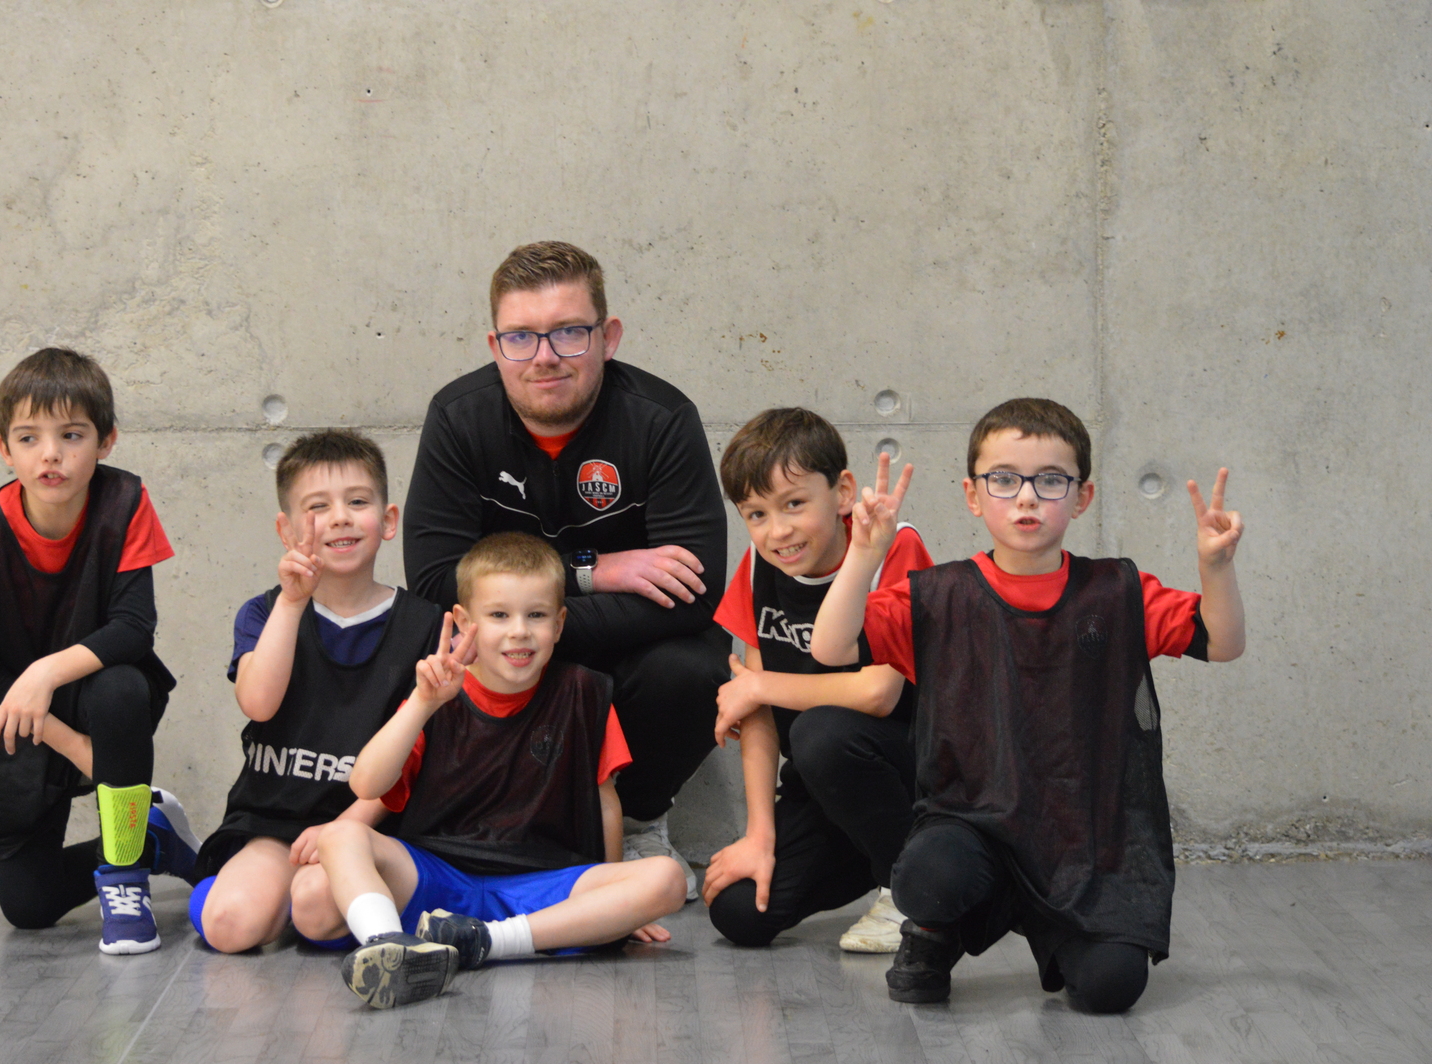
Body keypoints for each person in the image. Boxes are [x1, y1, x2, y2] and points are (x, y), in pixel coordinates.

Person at [811, 398, 1246, 1014]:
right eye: (1004, 479)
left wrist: (1215, 567)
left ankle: (1062, 932)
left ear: (1082, 497)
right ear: (972, 494)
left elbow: (1222, 643)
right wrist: (863, 553)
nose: (1026, 498)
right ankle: (934, 932)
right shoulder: (939, 596)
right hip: (973, 825)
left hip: (1084, 841)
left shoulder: (1115, 592)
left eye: (1050, 481)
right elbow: (830, 648)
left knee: (1109, 989)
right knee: (931, 877)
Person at [402, 241, 730, 898]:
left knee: (694, 668)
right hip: (500, 646)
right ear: (495, 346)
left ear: (608, 337)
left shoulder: (662, 420)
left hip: (614, 656)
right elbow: (436, 583)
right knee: (411, 642)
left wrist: (547, 625)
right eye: (521, 336)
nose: (544, 356)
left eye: (569, 332)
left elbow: (696, 592)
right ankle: (482, 830)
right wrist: (590, 570)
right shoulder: (458, 418)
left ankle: (636, 822)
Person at [315, 532, 688, 1009]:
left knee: (666, 879)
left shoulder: (583, 692)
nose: (519, 632)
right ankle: (390, 946)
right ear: (463, 622)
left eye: (536, 615)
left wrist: (614, 904)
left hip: (542, 884)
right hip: (440, 877)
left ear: (560, 623)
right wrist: (423, 704)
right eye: (498, 615)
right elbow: (366, 784)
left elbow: (606, 803)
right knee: (338, 838)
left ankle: (484, 942)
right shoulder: (435, 693)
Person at [0, 347, 199, 955]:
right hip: (20, 716)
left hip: (89, 692)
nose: (50, 454)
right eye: (29, 437)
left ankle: (125, 878)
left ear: (106, 441)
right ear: (5, 449)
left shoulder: (125, 503)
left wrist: (46, 672)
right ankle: (152, 839)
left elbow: (133, 628)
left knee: (122, 686)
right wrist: (70, 742)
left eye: (71, 435)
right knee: (27, 906)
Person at [187, 430, 443, 953]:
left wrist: (341, 828)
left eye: (357, 502)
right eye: (318, 507)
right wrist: (292, 602)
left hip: (367, 827)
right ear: (286, 530)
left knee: (315, 908)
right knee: (230, 927)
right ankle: (219, 879)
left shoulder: (427, 626)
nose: (340, 517)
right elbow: (259, 704)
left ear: (388, 520)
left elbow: (417, 759)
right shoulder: (265, 611)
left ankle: (304, 905)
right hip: (274, 819)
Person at [705, 408, 932, 952]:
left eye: (794, 504)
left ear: (843, 492)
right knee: (740, 911)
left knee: (822, 732)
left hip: (910, 776)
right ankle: (880, 858)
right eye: (756, 514)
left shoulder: (890, 546)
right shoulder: (759, 566)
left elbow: (878, 693)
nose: (778, 530)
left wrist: (760, 686)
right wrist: (759, 835)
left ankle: (913, 893)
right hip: (827, 786)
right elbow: (756, 715)